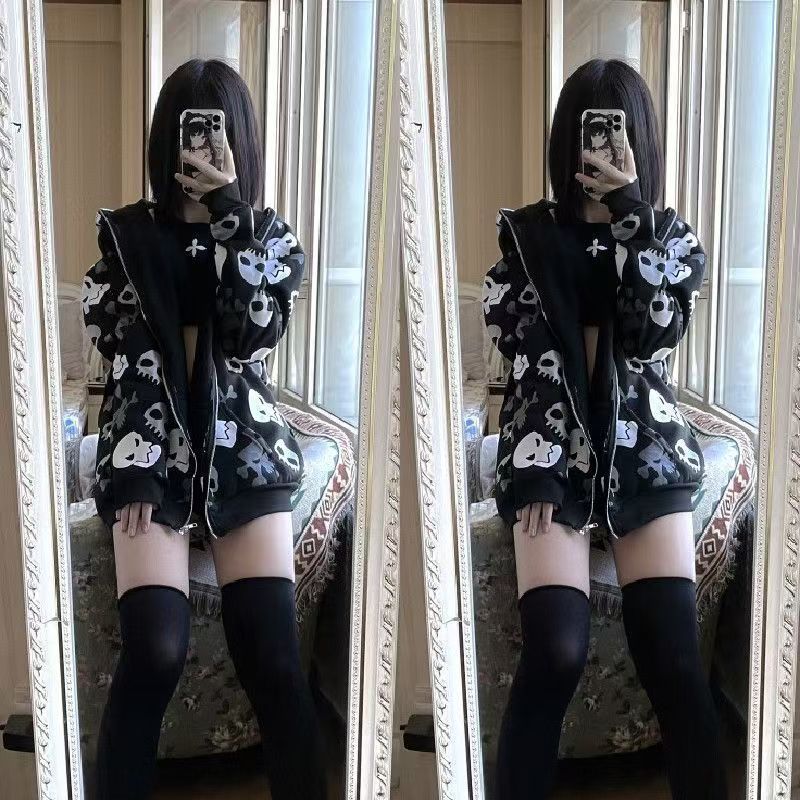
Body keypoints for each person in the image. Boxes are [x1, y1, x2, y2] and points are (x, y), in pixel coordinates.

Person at [483, 59, 727, 799]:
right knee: (556, 650)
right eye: (589, 130)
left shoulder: (667, 238)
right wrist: (535, 467)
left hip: (645, 450)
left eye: (614, 130)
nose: (600, 145)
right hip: (548, 454)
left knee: (674, 658)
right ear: (568, 138)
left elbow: (652, 337)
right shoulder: (527, 235)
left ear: (638, 138)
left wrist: (630, 220)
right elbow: (521, 350)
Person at [83, 58, 326, 800]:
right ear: (168, 137)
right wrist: (135, 467)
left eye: (214, 131)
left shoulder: (268, 239)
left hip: (244, 450)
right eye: (189, 131)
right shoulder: (125, 236)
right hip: (148, 454)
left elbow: (251, 336)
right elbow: (120, 352)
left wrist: (230, 221)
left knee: (274, 658)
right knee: (155, 649)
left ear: (238, 138)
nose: (200, 145)